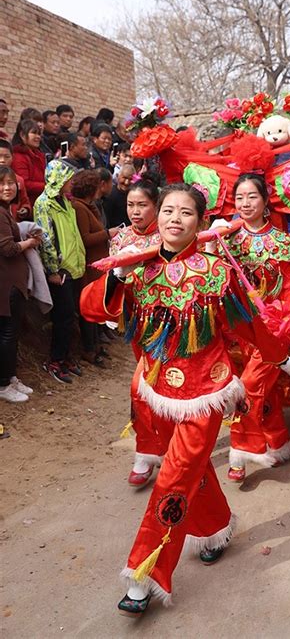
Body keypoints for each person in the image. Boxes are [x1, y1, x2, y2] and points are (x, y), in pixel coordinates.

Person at [80, 183, 290, 615]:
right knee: (192, 473)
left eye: (186, 213)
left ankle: (145, 573)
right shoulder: (137, 267)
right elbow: (92, 309)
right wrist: (115, 278)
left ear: (200, 222)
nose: (174, 219)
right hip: (156, 390)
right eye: (168, 210)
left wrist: (280, 356)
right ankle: (216, 525)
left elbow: (249, 325)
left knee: (173, 479)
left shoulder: (216, 272)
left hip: (206, 391)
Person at [213, 172, 290, 482]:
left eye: (251, 196)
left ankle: (241, 448)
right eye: (239, 197)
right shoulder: (225, 239)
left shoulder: (283, 242)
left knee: (251, 386)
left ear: (265, 202)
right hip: (238, 330)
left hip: (272, 331)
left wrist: (285, 322)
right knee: (263, 389)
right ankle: (278, 439)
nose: (244, 203)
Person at [109, 172, 163, 486]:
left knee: (153, 385)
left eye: (142, 204)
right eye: (131, 205)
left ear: (156, 206)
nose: (135, 211)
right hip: (137, 323)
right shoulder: (122, 239)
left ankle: (166, 447)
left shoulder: (168, 236)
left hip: (172, 323)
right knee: (145, 385)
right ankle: (147, 449)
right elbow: (111, 283)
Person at [34, 160, 86, 383]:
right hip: (59, 270)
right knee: (62, 317)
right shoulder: (44, 204)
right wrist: (53, 270)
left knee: (70, 315)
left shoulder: (65, 201)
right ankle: (54, 360)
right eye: (69, 179)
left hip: (73, 266)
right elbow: (46, 239)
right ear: (59, 179)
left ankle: (66, 357)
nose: (72, 183)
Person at [70, 170, 120, 366]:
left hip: (98, 266)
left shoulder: (89, 207)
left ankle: (96, 344)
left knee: (97, 305)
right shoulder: (79, 208)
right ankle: (88, 349)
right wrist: (108, 233)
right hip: (89, 267)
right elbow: (84, 239)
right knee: (88, 308)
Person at [0, 166, 41, 402]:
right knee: (6, 333)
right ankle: (3, 384)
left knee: (11, 332)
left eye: (11, 183)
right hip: (6, 284)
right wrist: (30, 242)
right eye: (2, 183)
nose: (7, 187)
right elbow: (8, 248)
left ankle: (10, 377)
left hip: (13, 282)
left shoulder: (7, 210)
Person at [11, 119, 47, 205]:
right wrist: (47, 187)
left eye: (39, 134)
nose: (38, 137)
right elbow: (24, 184)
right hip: (29, 204)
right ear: (22, 135)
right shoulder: (18, 156)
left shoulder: (39, 155)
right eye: (34, 133)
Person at [0, 140, 31, 221]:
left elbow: (25, 201)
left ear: (12, 157)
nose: (2, 160)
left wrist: (25, 209)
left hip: (14, 223)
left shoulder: (18, 180)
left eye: (7, 156)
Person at [103, 163, 135, 227]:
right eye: (124, 178)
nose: (126, 182)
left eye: (130, 179)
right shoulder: (110, 195)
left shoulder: (134, 195)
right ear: (117, 176)